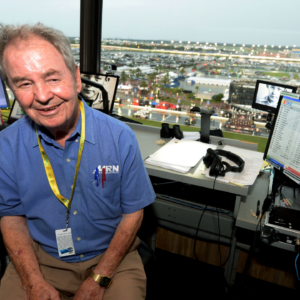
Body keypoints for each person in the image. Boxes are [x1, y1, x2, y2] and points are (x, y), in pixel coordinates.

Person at [0, 23, 155, 300]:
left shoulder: (121, 138)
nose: (43, 96)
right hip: (41, 258)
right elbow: (11, 217)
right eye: (24, 83)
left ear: (76, 78)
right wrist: (32, 281)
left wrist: (100, 278)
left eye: (52, 78)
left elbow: (133, 214)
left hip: (112, 259)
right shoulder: (6, 146)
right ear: (12, 89)